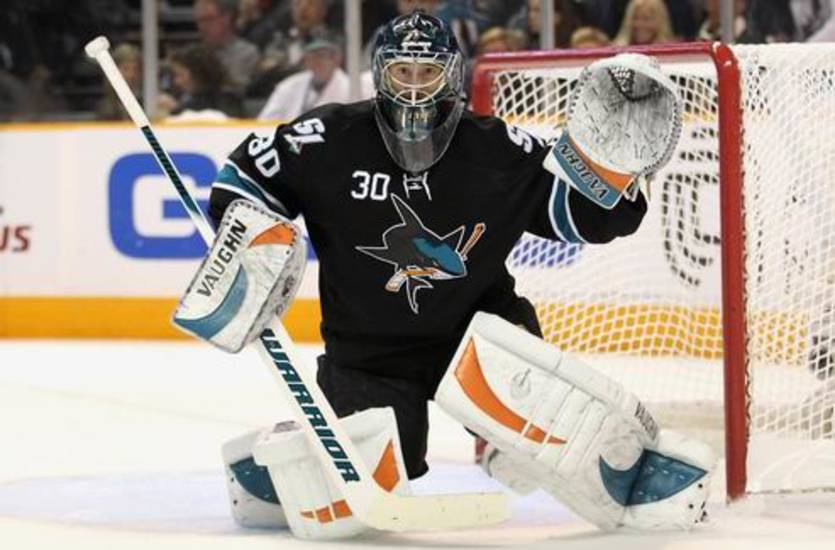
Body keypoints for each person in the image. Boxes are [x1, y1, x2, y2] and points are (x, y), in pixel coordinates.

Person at [185, 11, 712, 540]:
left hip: (480, 338)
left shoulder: (498, 148)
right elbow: (242, 179)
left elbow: (586, 217)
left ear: (452, 76)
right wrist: (252, 239)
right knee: (361, 489)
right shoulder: (328, 138)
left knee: (543, 441)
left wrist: (618, 170)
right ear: (381, 73)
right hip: (368, 353)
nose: (415, 88)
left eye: (428, 73)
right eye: (403, 72)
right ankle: (273, 473)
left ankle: (630, 480)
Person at [258, 31, 374, 121]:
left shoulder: (355, 89)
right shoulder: (288, 86)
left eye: (322, 55)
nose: (316, 61)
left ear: (337, 59)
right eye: (312, 56)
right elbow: (264, 123)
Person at [157, 44, 245, 120]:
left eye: (180, 75)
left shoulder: (227, 99)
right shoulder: (191, 98)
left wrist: (177, 109)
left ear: (198, 74)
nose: (177, 82)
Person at [194, 0, 260, 92]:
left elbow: (237, 90)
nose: (202, 26)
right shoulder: (197, 54)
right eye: (199, 21)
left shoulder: (246, 53)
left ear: (226, 18)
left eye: (208, 19)